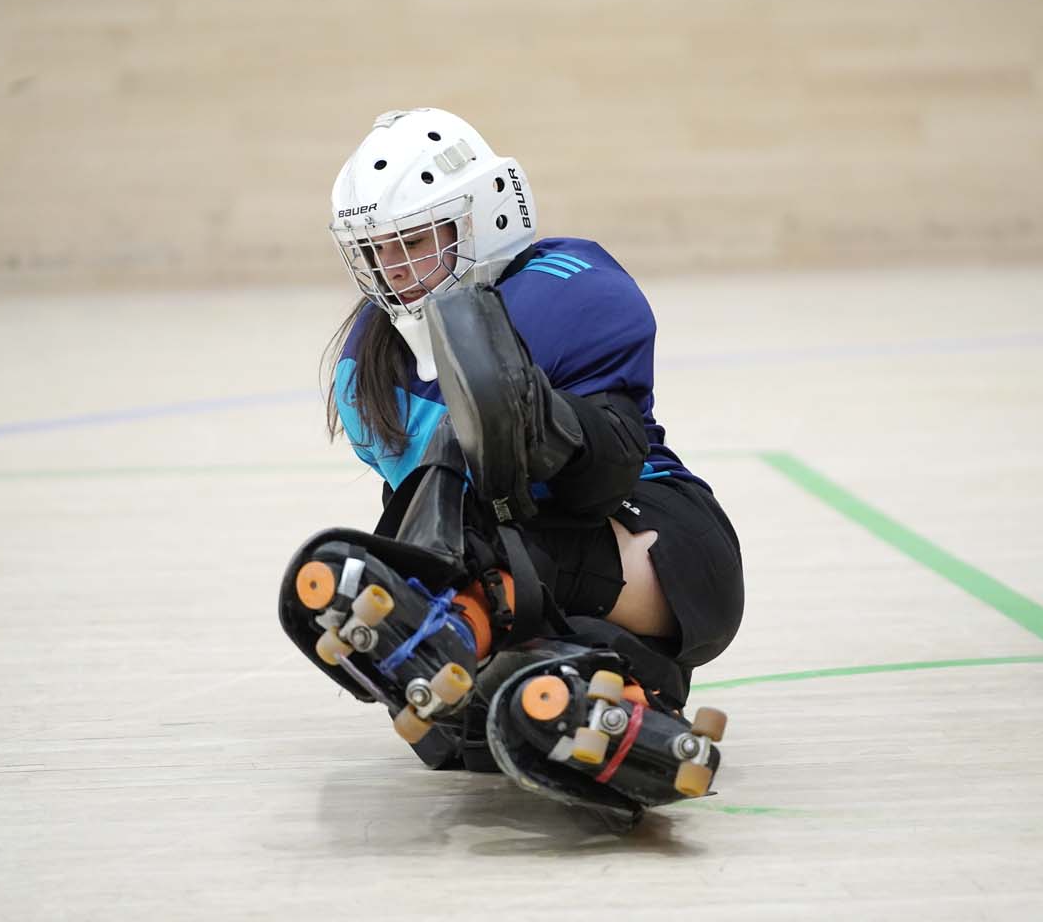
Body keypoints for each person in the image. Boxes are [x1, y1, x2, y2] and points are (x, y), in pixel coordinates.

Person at [278, 108, 743, 819]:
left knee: (472, 515)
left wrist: (520, 414)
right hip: (538, 586)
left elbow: (607, 471)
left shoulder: (565, 284)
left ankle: (454, 627)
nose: (395, 270)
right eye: (377, 251)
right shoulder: (367, 358)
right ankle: (609, 697)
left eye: (413, 242)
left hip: (663, 548)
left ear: (482, 218)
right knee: (450, 590)